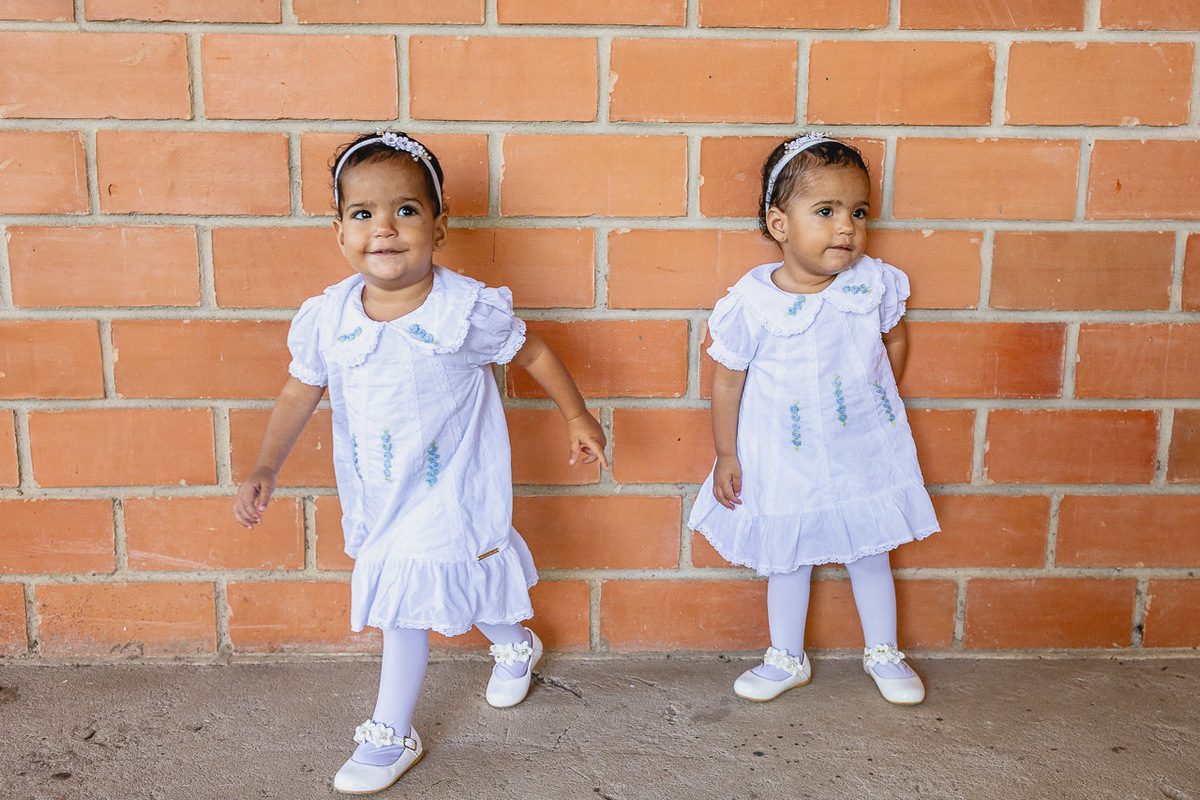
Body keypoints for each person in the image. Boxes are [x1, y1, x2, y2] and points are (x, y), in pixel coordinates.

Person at [233, 131, 608, 794]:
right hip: (381, 491)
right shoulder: (330, 319)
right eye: (363, 213)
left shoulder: (464, 311)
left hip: (452, 485)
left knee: (408, 596)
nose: (385, 227)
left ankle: (391, 731)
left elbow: (535, 354)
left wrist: (576, 416)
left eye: (406, 210)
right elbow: (300, 390)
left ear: (439, 227)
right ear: (340, 232)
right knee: (456, 583)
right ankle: (515, 642)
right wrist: (267, 465)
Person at [688, 133, 939, 706]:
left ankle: (883, 650)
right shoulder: (752, 305)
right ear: (780, 223)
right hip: (784, 452)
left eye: (858, 212)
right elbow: (727, 381)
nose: (845, 227)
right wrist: (727, 453)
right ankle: (786, 655)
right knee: (790, 553)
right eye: (825, 212)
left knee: (870, 546)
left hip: (861, 445)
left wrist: (876, 397)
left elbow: (891, 341)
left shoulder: (872, 283)